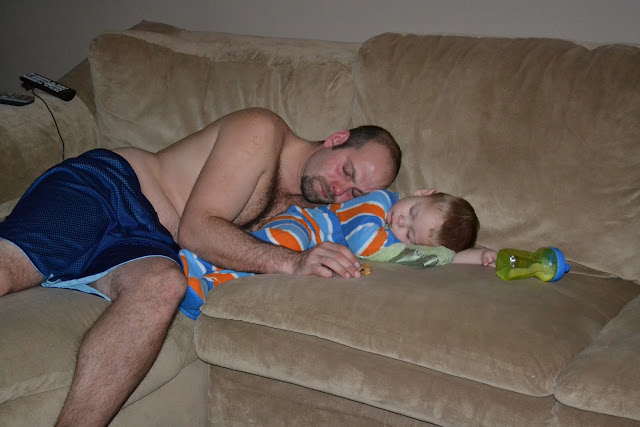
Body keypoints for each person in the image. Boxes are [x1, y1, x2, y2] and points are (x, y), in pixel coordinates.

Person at [0, 107, 401, 426]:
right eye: (346, 171)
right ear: (336, 140)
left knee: (164, 287)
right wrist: (292, 262)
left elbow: (391, 232)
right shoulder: (262, 131)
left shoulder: (312, 208)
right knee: (7, 273)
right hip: (110, 189)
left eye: (354, 192)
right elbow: (196, 229)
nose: (339, 189)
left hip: (149, 243)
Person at [179, 188, 497, 319]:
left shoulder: (397, 238)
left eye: (410, 234)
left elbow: (427, 259)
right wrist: (412, 250)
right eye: (412, 211)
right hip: (305, 226)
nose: (401, 222)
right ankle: (193, 260)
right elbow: (365, 244)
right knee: (275, 248)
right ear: (422, 193)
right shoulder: (379, 201)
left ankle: (206, 285)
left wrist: (472, 256)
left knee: (260, 277)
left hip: (311, 248)